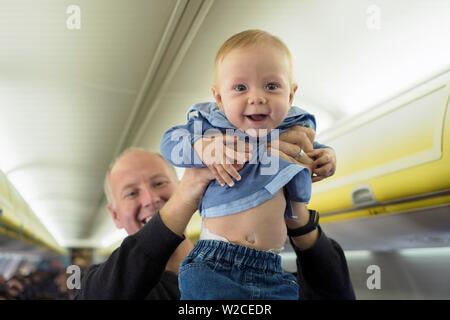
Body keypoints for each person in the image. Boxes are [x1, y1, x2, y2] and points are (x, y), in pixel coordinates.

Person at [160, 30, 345, 300]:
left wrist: (328, 157)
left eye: (271, 86)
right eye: (240, 88)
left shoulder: (294, 131)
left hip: (271, 269)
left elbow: (317, 150)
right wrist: (200, 147)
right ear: (219, 98)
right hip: (215, 265)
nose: (257, 97)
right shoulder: (211, 127)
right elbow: (170, 142)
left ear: (291, 95)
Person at [76, 147, 353, 300]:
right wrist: (185, 195)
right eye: (131, 193)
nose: (150, 199)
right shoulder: (105, 284)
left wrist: (297, 213)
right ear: (115, 215)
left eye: (160, 183)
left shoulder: (247, 272)